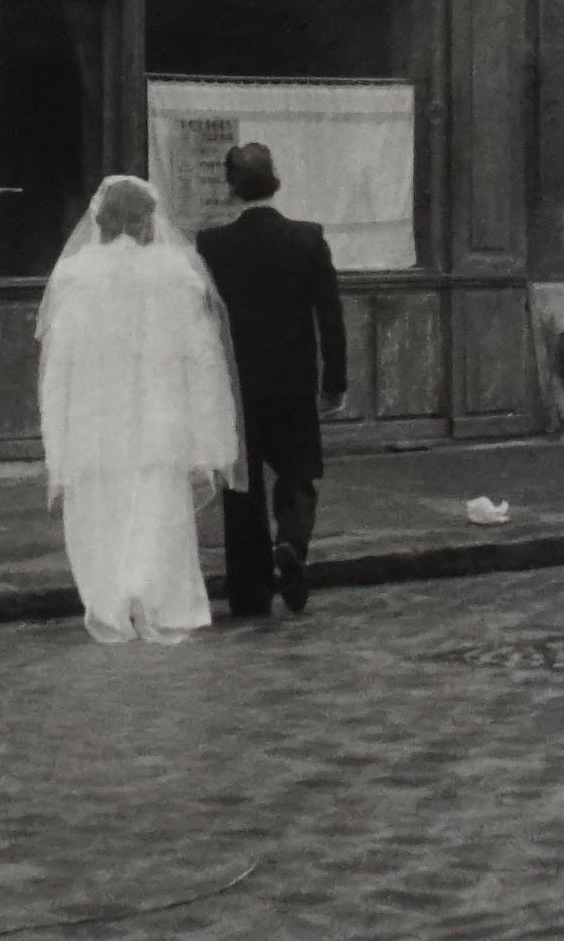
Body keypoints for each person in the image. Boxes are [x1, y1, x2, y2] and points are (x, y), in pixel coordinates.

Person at [36, 174, 245, 647]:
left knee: (100, 512)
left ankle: (110, 602)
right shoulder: (177, 271)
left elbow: (57, 362)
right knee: (158, 509)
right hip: (160, 413)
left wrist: (58, 427)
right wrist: (207, 427)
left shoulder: (73, 274)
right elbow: (202, 356)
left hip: (96, 417)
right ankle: (159, 601)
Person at [196, 143, 348, 618]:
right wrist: (334, 383)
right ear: (274, 180)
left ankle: (250, 591)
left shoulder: (212, 246)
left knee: (242, 491)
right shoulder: (307, 239)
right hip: (293, 381)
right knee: (298, 472)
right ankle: (292, 542)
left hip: (237, 387)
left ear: (230, 186)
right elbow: (330, 316)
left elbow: (202, 323)